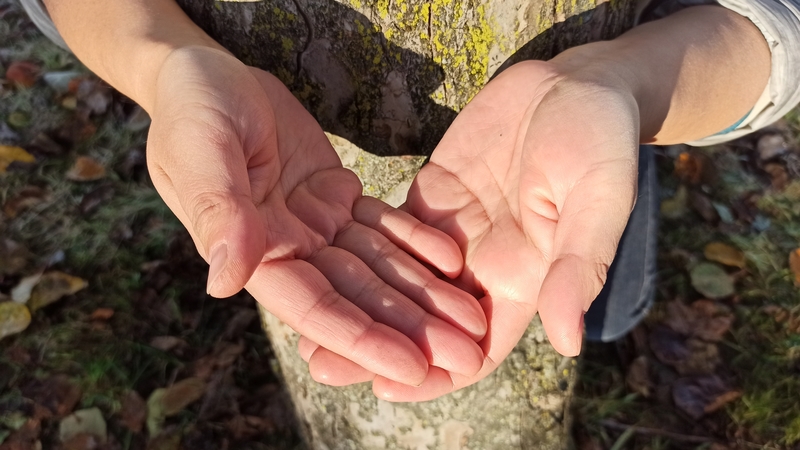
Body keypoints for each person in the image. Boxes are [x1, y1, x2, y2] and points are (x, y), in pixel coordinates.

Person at [27, 0, 800, 402]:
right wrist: (164, 59)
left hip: (568, 169)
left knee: (602, 303)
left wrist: (625, 81)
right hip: (284, 184)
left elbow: (775, 20)